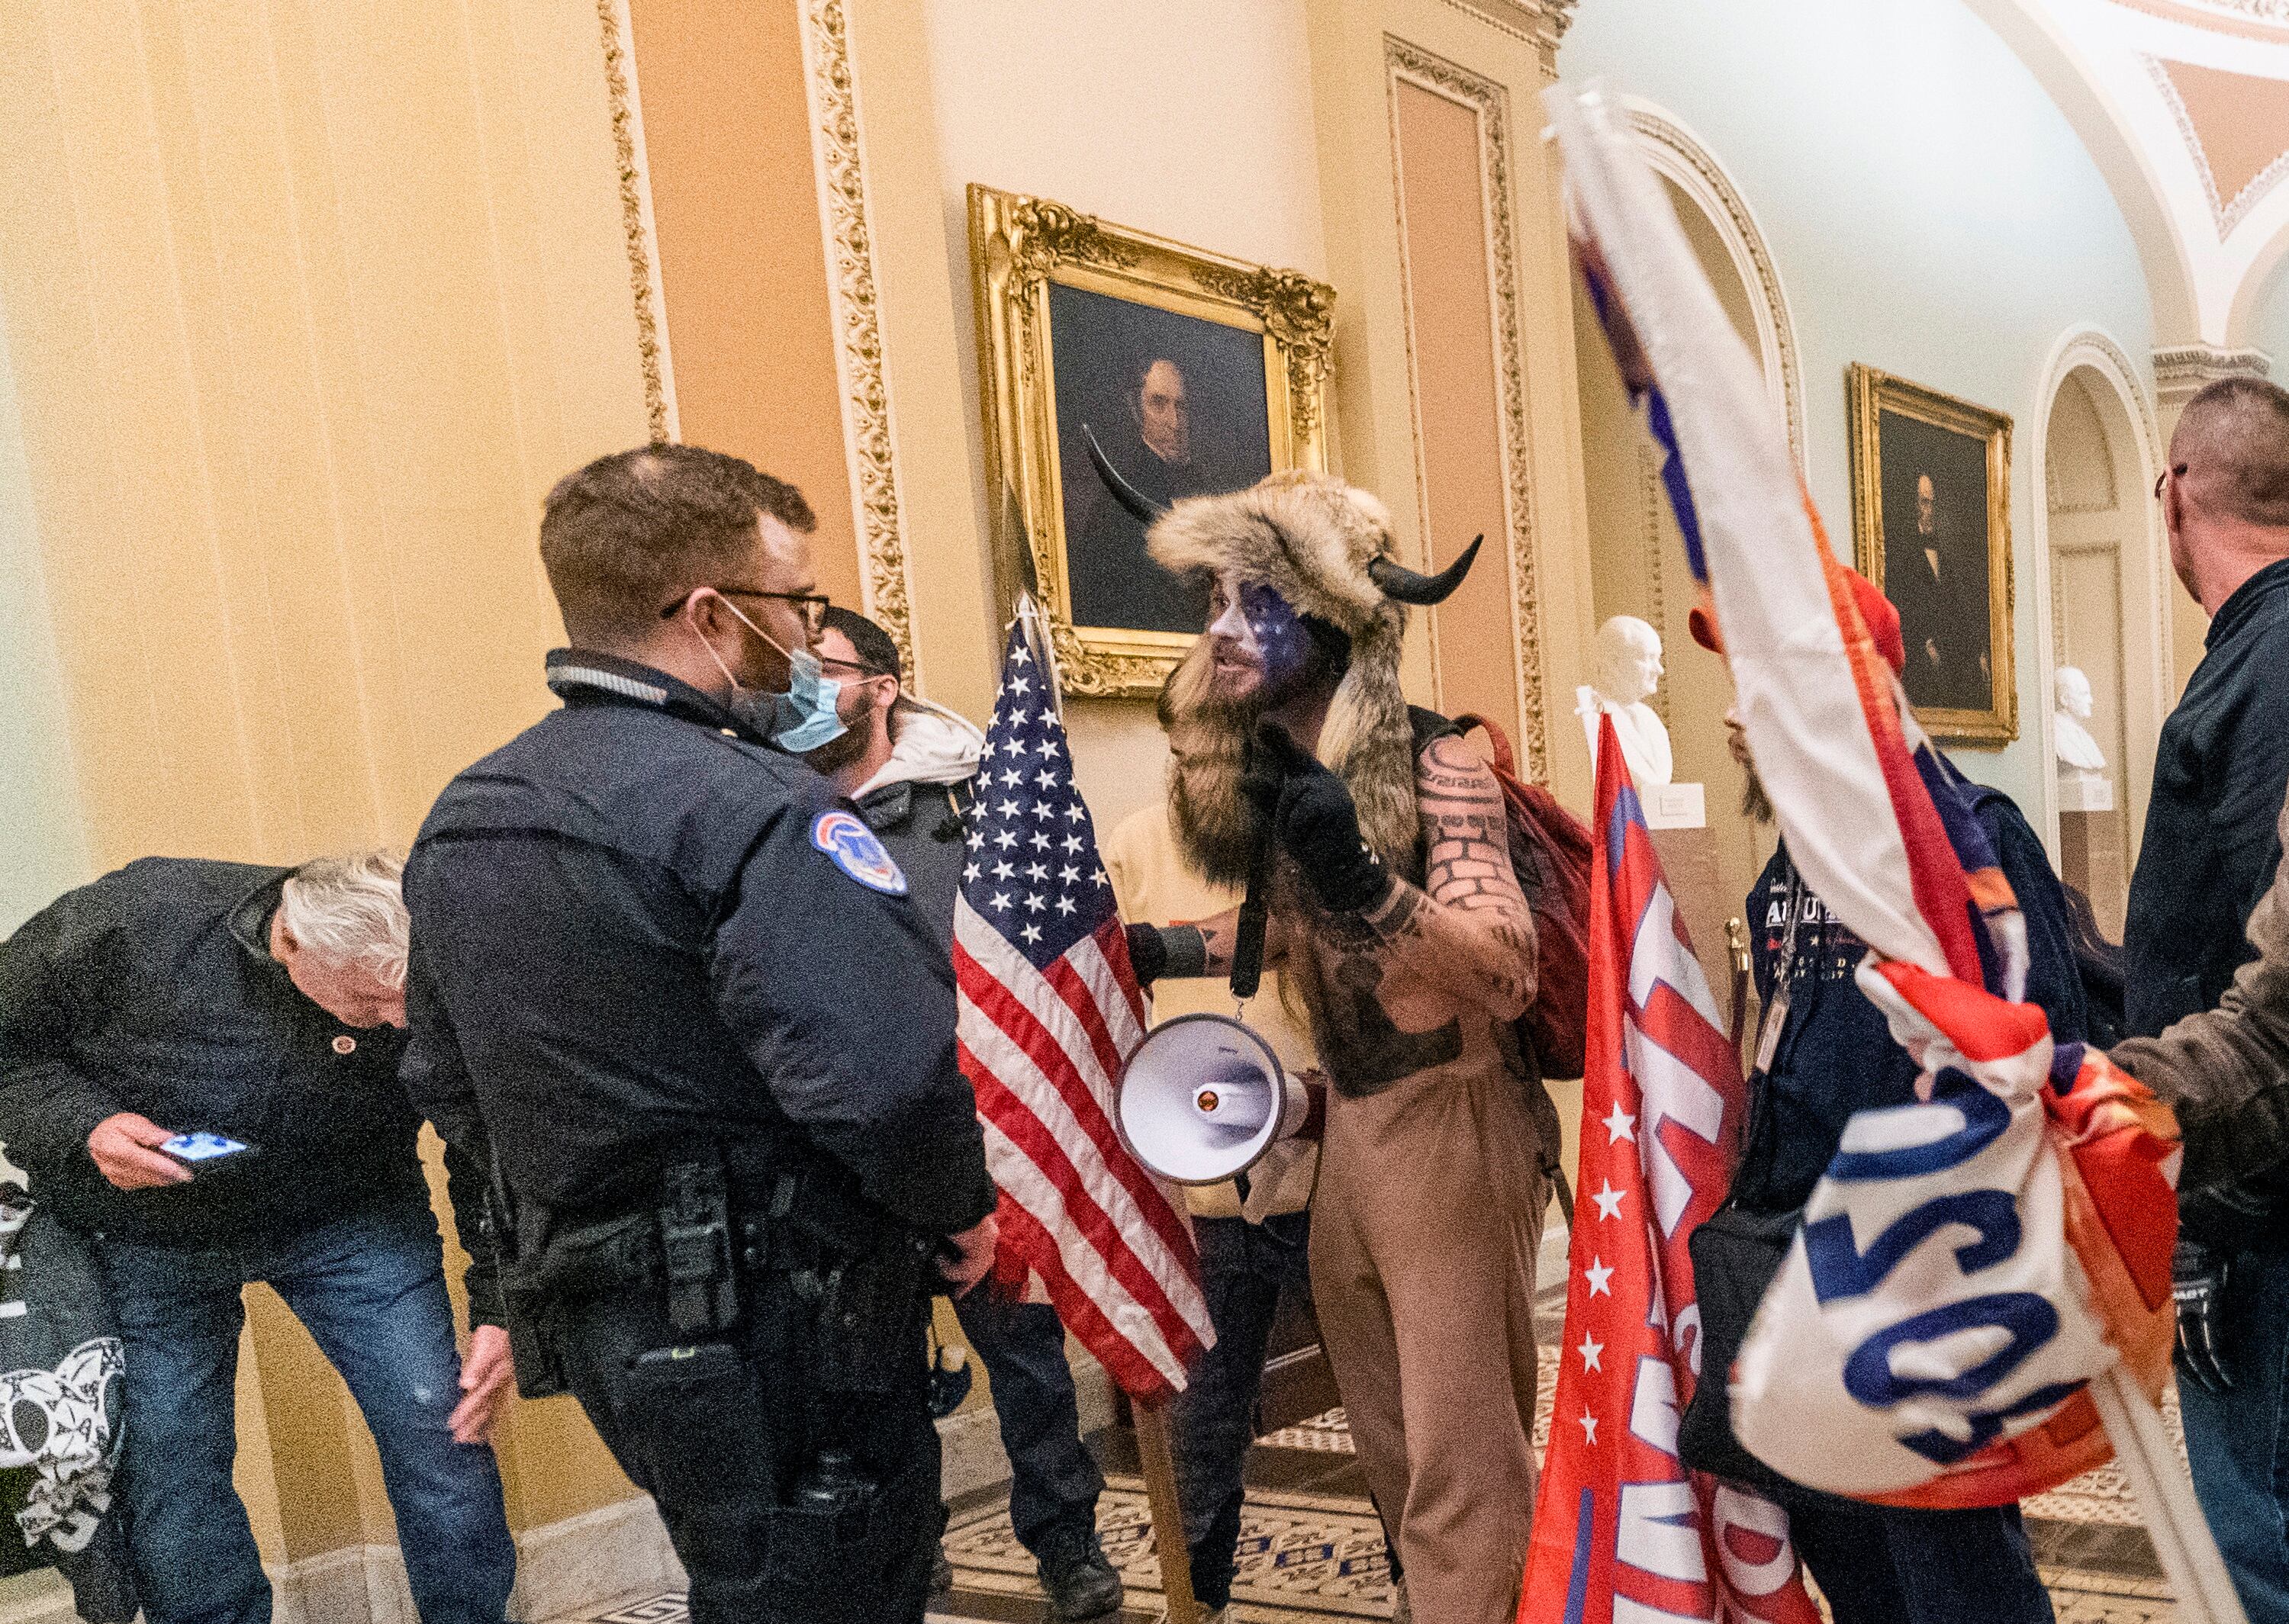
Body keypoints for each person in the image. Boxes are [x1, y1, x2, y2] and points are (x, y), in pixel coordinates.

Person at [399, 445, 999, 1624]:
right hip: (791, 1319)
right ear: (715, 616)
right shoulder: (757, 807)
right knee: (838, 1590)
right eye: (799, 606)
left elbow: (449, 1080)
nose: (808, 635)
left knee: (740, 1576)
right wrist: (955, 1207)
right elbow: (883, 1078)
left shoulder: (466, 816)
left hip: (611, 1325)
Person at [1108, 468, 1545, 1624]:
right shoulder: (1271, 774)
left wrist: (1367, 882)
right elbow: (1284, 932)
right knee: (1395, 1450)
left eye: (1255, 598)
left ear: (1332, 615)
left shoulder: (1440, 759)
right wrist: (1140, 945)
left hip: (1451, 1121)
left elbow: (1508, 967)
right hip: (1347, 1126)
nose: (1221, 625)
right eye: (1212, 594)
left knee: (1463, 1459)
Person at [0, 852, 517, 1624]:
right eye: (371, 1003)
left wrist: (501, 1301)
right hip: (151, 1233)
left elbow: (484, 1135)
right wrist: (86, 1128)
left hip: (353, 1216)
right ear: (294, 945)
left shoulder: (432, 969)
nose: (400, 1020)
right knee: (174, 1463)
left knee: (439, 1425)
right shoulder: (139, 918)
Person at [1699, 571, 2078, 1624]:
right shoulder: (1792, 868)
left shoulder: (1971, 840)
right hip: (1808, 1261)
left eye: (1766, 682)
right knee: (1842, 1542)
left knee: (1954, 1570)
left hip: (1923, 1273)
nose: (1736, 712)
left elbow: (2039, 1045)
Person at [804, 606, 1124, 1623]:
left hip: (976, 1126)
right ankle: (915, 1549)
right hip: (841, 1136)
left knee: (1025, 1359)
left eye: (824, 670)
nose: (803, 690)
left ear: (882, 686)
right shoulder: (770, 810)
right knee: (869, 1371)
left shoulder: (976, 798)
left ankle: (1067, 1543)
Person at [1102, 677, 1323, 1624]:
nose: (1198, 773)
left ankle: (1425, 1587)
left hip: (1326, 1160)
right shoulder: (1138, 843)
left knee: (1392, 1404)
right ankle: (1199, 1597)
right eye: (1184, 754)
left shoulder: (1312, 836)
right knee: (1202, 1419)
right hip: (1198, 1185)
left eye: (1218, 753)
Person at [2121, 375, 2289, 1620]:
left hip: (2259, 1201)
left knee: (2258, 1541)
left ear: (2178, 493)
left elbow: (2263, 989)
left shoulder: (2267, 669)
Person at [1073, 355, 1213, 635]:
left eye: (1180, 406)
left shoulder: (1199, 484)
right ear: (1135, 409)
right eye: (1159, 404)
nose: (1174, 421)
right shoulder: (1120, 496)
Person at [1886, 469, 1992, 713]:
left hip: (1950, 648)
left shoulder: (1943, 551)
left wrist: (1978, 651)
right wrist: (1925, 643)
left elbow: (1956, 604)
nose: (1929, 510)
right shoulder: (1900, 552)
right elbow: (1902, 607)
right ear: (1913, 504)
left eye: (1932, 502)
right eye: (1924, 502)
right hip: (1918, 653)